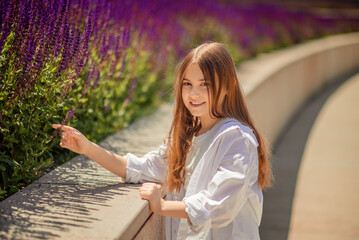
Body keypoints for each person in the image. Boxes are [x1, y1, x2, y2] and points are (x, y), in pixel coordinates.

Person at [52, 42, 272, 239]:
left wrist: (163, 206)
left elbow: (222, 205)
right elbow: (138, 168)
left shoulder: (237, 139)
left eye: (204, 84)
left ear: (227, 86)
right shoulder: (186, 140)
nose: (194, 94)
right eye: (187, 84)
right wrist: (87, 147)